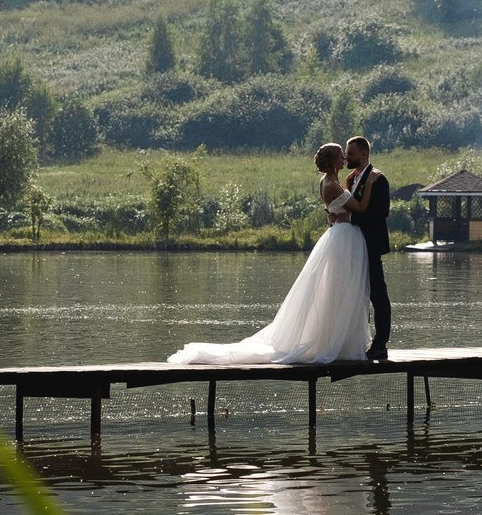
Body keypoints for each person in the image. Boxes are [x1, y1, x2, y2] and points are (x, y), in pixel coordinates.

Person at [167, 144, 373, 365]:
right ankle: (333, 341)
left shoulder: (328, 181)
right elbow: (360, 208)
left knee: (336, 290)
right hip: (342, 239)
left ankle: (336, 339)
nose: (345, 158)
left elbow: (336, 210)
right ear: (334, 162)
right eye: (341, 155)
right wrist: (369, 183)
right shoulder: (332, 184)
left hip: (339, 236)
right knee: (338, 288)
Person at [341, 136, 393, 362]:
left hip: (370, 244)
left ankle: (380, 343)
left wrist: (351, 217)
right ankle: (360, 340)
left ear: (363, 154)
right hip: (354, 245)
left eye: (350, 153)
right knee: (357, 294)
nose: (346, 157)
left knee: (377, 293)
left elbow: (381, 213)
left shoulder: (378, 179)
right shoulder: (351, 178)